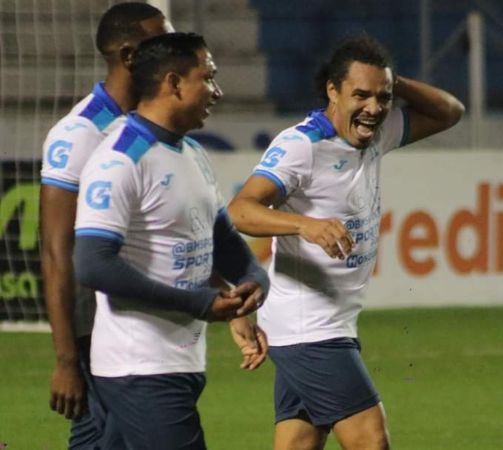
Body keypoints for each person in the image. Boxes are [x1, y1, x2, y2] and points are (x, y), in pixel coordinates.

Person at [227, 34, 464, 450]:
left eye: (382, 97)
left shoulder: (378, 133)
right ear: (332, 91)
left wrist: (391, 83)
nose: (373, 108)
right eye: (360, 95)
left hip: (326, 322)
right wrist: (306, 227)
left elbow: (450, 111)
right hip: (310, 327)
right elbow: (241, 210)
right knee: (371, 440)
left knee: (298, 442)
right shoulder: (302, 146)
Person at [73, 32, 269, 449]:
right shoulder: (119, 158)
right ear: (174, 83)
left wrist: (253, 278)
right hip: (139, 367)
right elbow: (92, 264)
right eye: (209, 78)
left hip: (175, 360)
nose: (217, 91)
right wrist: (199, 303)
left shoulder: (192, 152)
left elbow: (224, 239)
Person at [39, 3, 172, 448]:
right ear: (131, 55)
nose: (173, 51)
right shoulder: (79, 134)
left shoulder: (149, 125)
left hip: (141, 328)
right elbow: (56, 252)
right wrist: (65, 360)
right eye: (162, 41)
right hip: (98, 331)